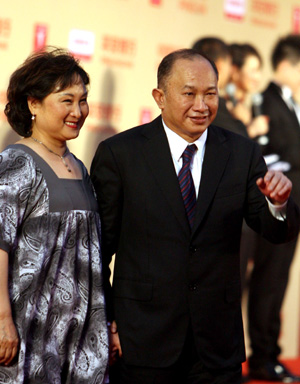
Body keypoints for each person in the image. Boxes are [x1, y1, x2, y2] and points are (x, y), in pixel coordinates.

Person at [90, 49, 300, 384]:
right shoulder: (121, 154)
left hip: (217, 346)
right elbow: (98, 251)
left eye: (210, 94)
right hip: (143, 341)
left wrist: (278, 204)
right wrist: (106, 321)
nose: (201, 106)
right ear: (160, 97)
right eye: (189, 94)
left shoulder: (241, 152)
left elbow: (276, 231)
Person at [0, 48, 108, 383]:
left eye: (83, 100)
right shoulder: (16, 162)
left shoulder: (80, 168)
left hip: (79, 335)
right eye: (66, 100)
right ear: (33, 103)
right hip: (28, 329)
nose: (78, 111)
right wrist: (3, 317)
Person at [243, 35, 300, 382]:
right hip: (275, 207)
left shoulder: (291, 102)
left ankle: (268, 354)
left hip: (292, 210)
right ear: (287, 65)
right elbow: (266, 158)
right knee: (268, 281)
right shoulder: (264, 101)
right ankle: (263, 357)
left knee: (277, 282)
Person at [192, 36, 248, 137]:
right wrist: (242, 122)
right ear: (220, 66)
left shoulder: (184, 97)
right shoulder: (214, 104)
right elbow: (240, 145)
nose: (230, 71)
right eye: (229, 64)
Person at [226, 43, 269, 142]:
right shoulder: (224, 107)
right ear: (235, 71)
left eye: (259, 70)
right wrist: (252, 130)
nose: (258, 78)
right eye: (253, 70)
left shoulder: (248, 107)